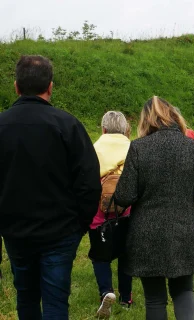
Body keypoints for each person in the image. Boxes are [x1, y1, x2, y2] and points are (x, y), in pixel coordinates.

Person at [0, 55, 102, 319]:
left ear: (16, 86)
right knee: (56, 302)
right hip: (60, 233)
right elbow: (89, 182)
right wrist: (80, 224)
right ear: (50, 86)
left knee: (26, 297)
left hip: (15, 231)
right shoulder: (67, 125)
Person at [114, 96, 194, 320]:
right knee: (184, 290)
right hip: (182, 232)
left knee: (154, 298)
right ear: (174, 117)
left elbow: (124, 196)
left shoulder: (138, 148)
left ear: (146, 120)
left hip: (147, 234)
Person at [89, 111, 134, 318]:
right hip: (127, 209)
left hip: (100, 211)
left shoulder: (93, 149)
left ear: (103, 129)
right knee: (126, 254)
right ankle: (126, 297)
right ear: (125, 129)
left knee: (100, 255)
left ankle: (106, 292)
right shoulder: (133, 148)